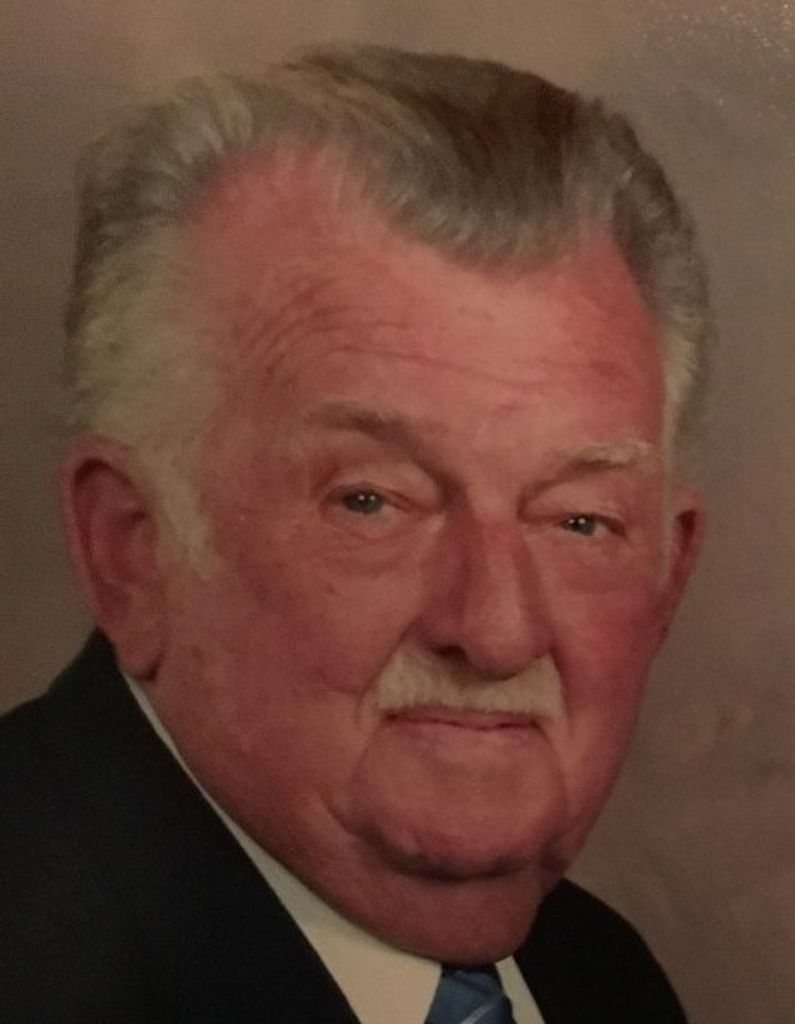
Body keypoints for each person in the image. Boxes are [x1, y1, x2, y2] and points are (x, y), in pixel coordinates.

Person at [0, 44, 711, 1023]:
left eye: (579, 519)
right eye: (372, 502)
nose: (495, 631)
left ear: (669, 573)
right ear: (132, 550)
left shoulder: (598, 979)